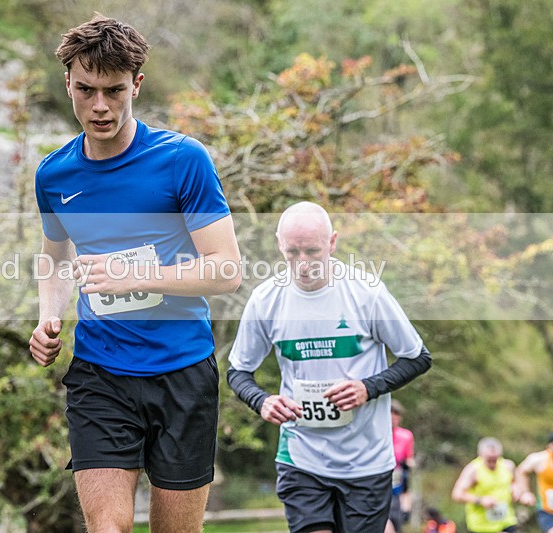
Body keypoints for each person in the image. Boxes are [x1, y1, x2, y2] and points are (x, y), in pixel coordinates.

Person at [29, 14, 242, 533]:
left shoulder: (182, 160)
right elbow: (54, 260)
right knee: (109, 528)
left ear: (136, 85)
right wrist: (47, 317)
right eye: (86, 90)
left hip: (182, 371)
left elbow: (227, 270)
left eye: (114, 91)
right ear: (69, 84)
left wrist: (137, 275)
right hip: (100, 374)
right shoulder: (54, 174)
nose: (99, 106)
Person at [227, 201, 432, 533]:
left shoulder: (367, 293)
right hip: (301, 456)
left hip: (366, 460)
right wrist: (261, 400)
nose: (303, 263)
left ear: (333, 243)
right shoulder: (267, 299)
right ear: (279, 243)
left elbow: (418, 357)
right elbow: (238, 371)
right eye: (293, 253)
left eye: (313, 251)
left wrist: (368, 387)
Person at [451, 437, 518, 533]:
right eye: (489, 459)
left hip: (506, 520)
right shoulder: (472, 470)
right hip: (482, 526)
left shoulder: (508, 465)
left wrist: (516, 491)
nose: (493, 463)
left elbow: (514, 483)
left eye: (495, 459)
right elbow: (457, 494)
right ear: (480, 455)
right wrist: (480, 500)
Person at [512, 431, 553, 533]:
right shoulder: (540, 459)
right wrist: (525, 492)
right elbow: (521, 471)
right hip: (547, 510)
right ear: (549, 445)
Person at [387, 399, 416, 533]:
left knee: (397, 522)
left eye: (397, 415)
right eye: (391, 414)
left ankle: (406, 507)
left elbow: (409, 459)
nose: (394, 418)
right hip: (378, 479)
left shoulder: (406, 436)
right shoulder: (377, 435)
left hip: (397, 482)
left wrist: (409, 464)